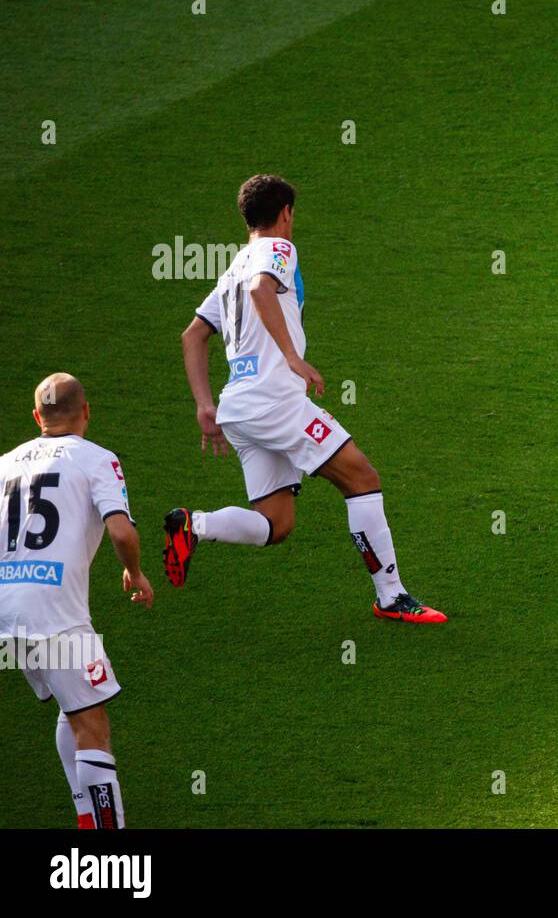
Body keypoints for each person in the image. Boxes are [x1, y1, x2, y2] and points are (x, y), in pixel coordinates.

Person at [166, 174, 445, 623]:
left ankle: (194, 525)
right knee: (361, 477)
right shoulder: (276, 250)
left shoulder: (231, 268)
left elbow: (193, 335)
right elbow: (262, 290)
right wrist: (293, 358)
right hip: (273, 401)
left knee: (277, 523)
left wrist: (204, 405)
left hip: (237, 408)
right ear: (286, 214)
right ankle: (391, 597)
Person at [0, 373, 153, 828]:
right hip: (54, 615)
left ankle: (87, 817)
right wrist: (136, 571)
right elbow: (120, 529)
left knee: (74, 706)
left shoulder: (5, 463)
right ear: (86, 411)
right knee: (93, 727)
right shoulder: (96, 459)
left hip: (8, 611)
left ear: (36, 418)